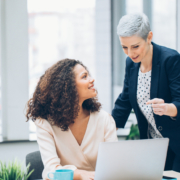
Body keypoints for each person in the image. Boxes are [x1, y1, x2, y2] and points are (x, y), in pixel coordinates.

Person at [26, 58, 118, 180]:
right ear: (68, 86)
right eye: (84, 76)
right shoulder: (45, 123)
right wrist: (79, 175)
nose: (92, 79)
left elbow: (115, 167)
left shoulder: (105, 119)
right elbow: (50, 172)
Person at [112, 13, 180, 172]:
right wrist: (106, 128)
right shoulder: (131, 63)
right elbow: (125, 101)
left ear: (149, 37)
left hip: (177, 144)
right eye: (124, 47)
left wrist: (168, 108)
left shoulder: (170, 59)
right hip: (155, 146)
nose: (130, 53)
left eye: (135, 46)